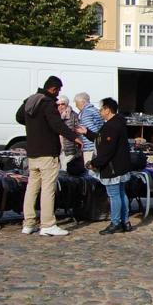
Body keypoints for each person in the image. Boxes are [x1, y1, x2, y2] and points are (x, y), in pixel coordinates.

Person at [16, 76, 85, 236]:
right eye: (58, 90)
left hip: (32, 151)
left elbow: (19, 117)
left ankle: (28, 223)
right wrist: (74, 137)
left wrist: (34, 125)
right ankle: (47, 224)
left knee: (32, 188)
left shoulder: (30, 100)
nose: (58, 94)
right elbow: (57, 124)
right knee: (48, 188)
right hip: (47, 152)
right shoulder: (47, 103)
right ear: (53, 89)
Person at [88, 97, 132, 235]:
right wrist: (87, 133)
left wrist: (94, 163)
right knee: (121, 193)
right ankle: (125, 221)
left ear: (107, 109)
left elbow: (107, 149)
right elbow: (101, 139)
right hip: (121, 165)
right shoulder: (118, 123)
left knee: (114, 195)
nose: (100, 112)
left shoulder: (111, 126)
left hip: (113, 167)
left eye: (101, 109)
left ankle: (116, 222)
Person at [73, 92, 104, 164]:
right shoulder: (95, 110)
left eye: (77, 103)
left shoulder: (87, 113)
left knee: (90, 172)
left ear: (83, 102)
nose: (76, 105)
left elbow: (90, 130)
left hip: (90, 148)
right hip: (97, 145)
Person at [57, 95, 80, 172]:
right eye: (58, 104)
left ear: (66, 104)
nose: (60, 106)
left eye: (62, 104)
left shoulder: (73, 116)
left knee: (65, 168)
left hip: (70, 148)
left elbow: (78, 131)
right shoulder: (55, 116)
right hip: (58, 149)